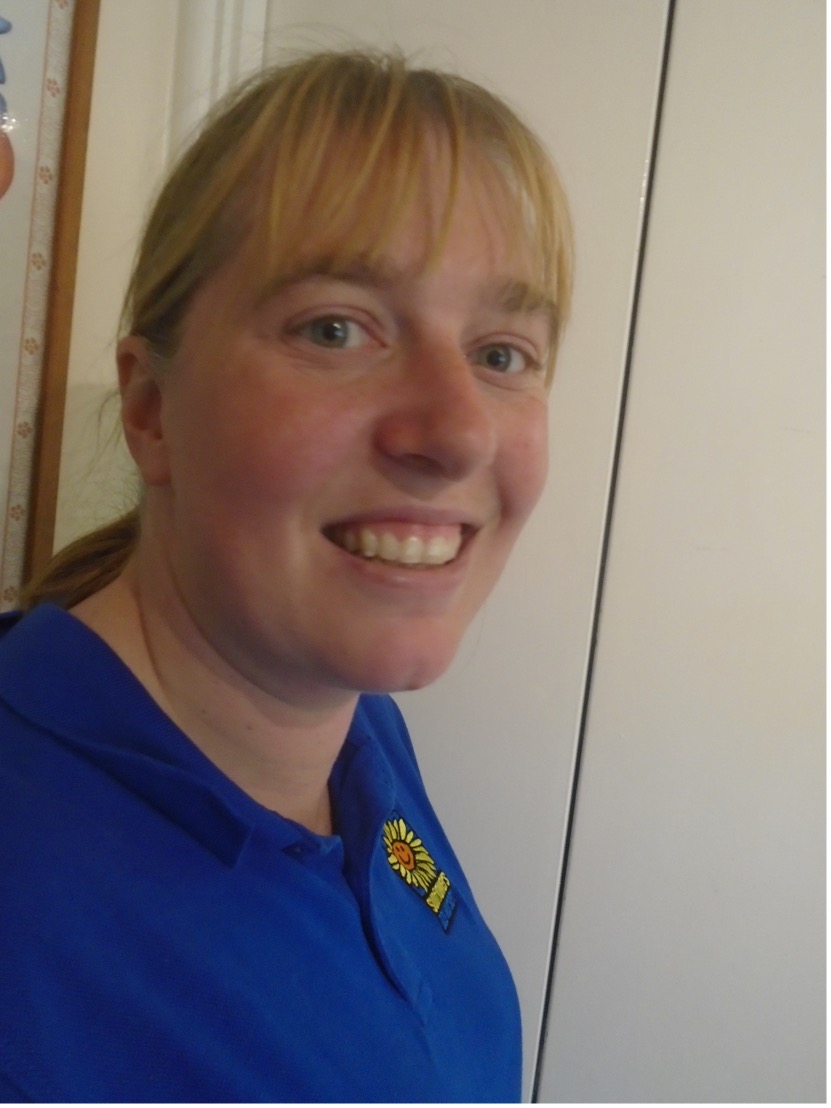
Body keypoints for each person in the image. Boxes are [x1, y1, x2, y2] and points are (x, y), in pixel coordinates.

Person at [0, 49, 572, 1102]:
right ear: (151, 409)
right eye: (336, 328)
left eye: (501, 353)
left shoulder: (353, 730)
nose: (459, 432)